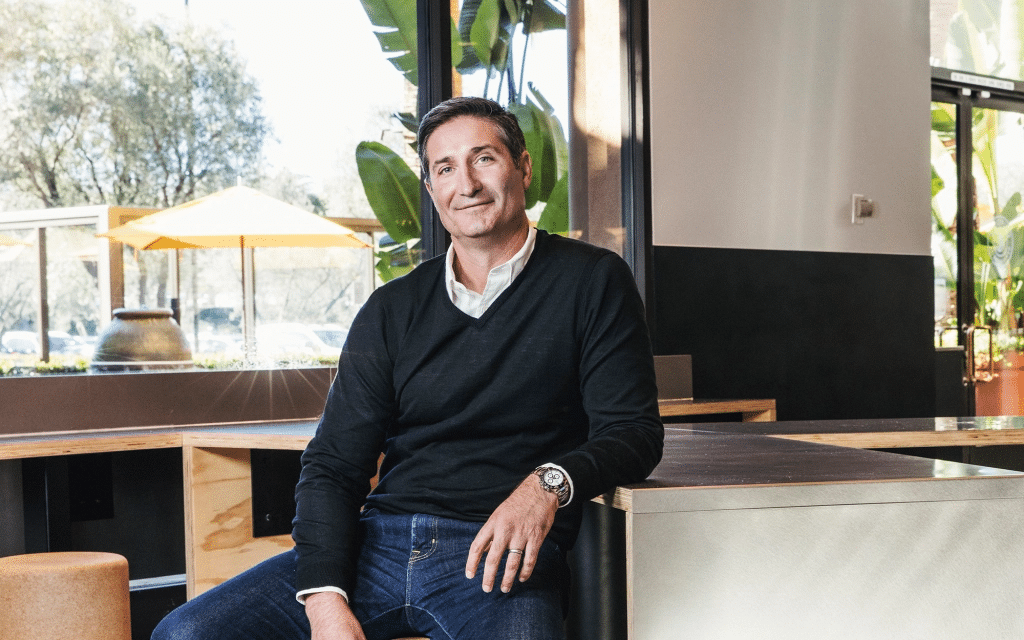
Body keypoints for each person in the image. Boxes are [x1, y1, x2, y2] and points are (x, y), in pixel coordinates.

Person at [151, 96, 663, 640]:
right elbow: (333, 466)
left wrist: (546, 484)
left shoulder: (593, 281)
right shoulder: (391, 309)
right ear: (431, 188)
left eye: (484, 158)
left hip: (497, 557)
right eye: (445, 168)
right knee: (185, 634)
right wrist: (325, 601)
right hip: (377, 546)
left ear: (523, 167)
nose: (466, 184)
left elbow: (633, 433)